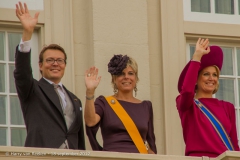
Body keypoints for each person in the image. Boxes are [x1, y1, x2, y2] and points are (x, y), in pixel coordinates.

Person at [14, 2, 85, 149]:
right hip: (42, 155)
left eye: (60, 60)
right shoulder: (32, 90)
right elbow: (22, 72)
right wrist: (27, 34)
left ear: (64, 65)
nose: (55, 64)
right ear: (40, 65)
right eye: (50, 60)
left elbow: (78, 137)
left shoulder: (75, 99)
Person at [176, 38, 239, 157]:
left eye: (215, 75)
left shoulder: (227, 107)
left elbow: (234, 145)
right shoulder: (187, 104)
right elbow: (187, 92)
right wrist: (197, 58)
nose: (211, 78)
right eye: (206, 74)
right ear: (196, 79)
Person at [84, 55, 157, 154]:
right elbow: (90, 122)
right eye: (121, 74)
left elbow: (151, 142)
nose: (126, 77)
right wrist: (90, 92)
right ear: (114, 79)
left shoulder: (146, 106)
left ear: (136, 78)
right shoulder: (104, 102)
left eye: (130, 73)